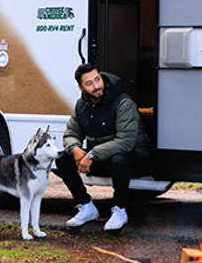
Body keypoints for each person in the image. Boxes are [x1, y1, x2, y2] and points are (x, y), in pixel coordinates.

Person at [55, 63, 151, 231]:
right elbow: (71, 133)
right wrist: (75, 149)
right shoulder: (81, 106)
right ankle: (86, 206)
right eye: (89, 83)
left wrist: (91, 155)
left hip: (135, 158)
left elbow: (125, 142)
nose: (96, 86)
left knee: (118, 160)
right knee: (63, 159)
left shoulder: (123, 103)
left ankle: (120, 210)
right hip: (101, 157)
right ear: (81, 87)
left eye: (97, 80)